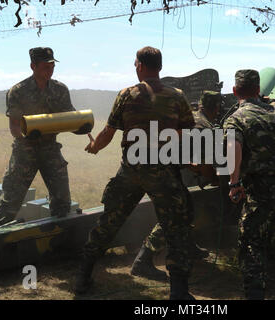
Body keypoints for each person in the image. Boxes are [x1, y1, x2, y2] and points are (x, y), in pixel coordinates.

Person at [74, 46, 195, 300]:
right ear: (159, 67)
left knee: (109, 222)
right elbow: (186, 133)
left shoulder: (126, 94)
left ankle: (82, 277)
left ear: (139, 65)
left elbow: (108, 132)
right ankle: (179, 292)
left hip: (131, 168)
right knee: (176, 229)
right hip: (163, 169)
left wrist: (94, 147)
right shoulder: (177, 96)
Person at [223, 69, 275, 300]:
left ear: (235, 91)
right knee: (273, 228)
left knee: (249, 241)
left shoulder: (236, 118)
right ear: (259, 90)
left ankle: (255, 293)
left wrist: (234, 182)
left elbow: (233, 149)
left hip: (264, 189)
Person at [129, 90, 222, 281]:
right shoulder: (205, 127)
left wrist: (192, 166)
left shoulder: (190, 117)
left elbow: (180, 151)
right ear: (217, 109)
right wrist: (214, 180)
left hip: (150, 162)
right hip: (158, 169)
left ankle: (188, 247)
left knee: (186, 205)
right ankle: (142, 261)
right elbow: (205, 166)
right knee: (173, 213)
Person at [0, 47, 83, 229]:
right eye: (45, 66)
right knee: (10, 203)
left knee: (62, 202)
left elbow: (69, 117)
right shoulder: (18, 91)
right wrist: (26, 135)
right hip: (25, 152)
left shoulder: (60, 89)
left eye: (52, 66)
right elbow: (14, 127)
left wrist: (82, 126)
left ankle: (61, 244)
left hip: (50, 149)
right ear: (33, 66)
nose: (50, 70)